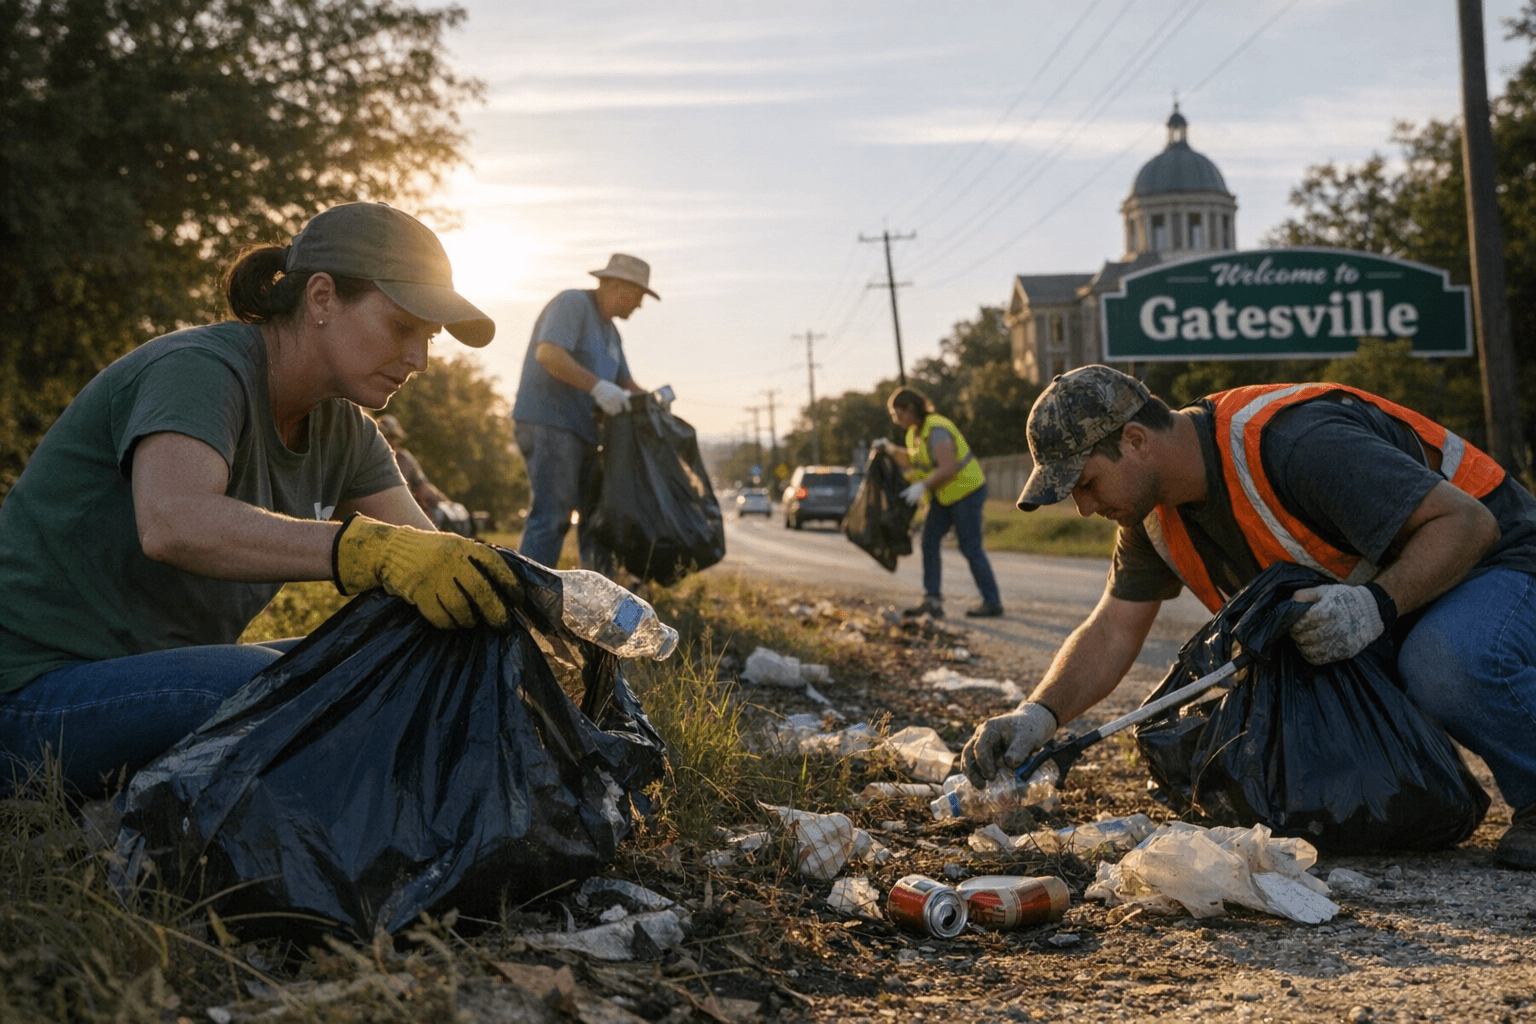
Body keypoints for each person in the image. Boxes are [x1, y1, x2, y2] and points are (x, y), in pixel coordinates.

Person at [0, 202, 523, 797]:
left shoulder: (349, 431)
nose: (419, 361)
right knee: (269, 687)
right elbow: (173, 522)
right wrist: (362, 549)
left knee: (395, 667)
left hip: (149, 686)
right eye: (403, 328)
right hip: (30, 693)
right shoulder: (199, 368)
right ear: (322, 298)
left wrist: (527, 608)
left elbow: (433, 554)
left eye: (427, 340)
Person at [959, 364, 1536, 870]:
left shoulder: (1291, 443)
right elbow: (1112, 627)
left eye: (1085, 484)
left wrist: (1372, 606)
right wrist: (1038, 714)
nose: (1084, 507)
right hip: (1398, 599)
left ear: (1134, 440)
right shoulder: (1150, 517)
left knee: (1443, 660)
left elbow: (1467, 524)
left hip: (1498, 563)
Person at [511, 254, 656, 574]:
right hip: (549, 423)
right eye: (638, 296)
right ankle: (527, 600)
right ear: (616, 286)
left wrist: (654, 403)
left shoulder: (612, 334)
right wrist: (597, 388)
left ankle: (595, 602)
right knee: (553, 515)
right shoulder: (573, 304)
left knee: (596, 520)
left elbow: (626, 383)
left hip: (585, 433)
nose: (639, 306)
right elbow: (548, 353)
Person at [875, 387, 1004, 619]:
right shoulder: (914, 433)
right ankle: (932, 600)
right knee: (929, 542)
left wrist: (922, 486)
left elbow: (948, 467)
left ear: (910, 409)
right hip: (943, 495)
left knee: (970, 547)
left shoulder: (936, 428)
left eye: (898, 414)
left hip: (967, 491)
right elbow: (913, 461)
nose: (896, 420)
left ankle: (992, 602)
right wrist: (890, 450)